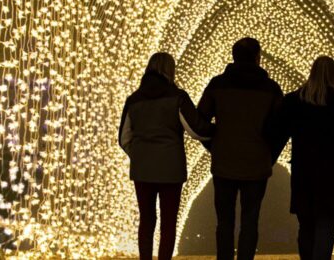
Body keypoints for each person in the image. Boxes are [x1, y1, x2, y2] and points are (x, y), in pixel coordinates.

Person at [119, 52, 212, 260]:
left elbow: (124, 138)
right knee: (168, 222)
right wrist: (218, 130)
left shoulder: (133, 100)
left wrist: (141, 155)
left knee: (146, 220)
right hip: (171, 168)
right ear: (170, 70)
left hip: (142, 169)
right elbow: (196, 130)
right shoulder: (178, 97)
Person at [197, 37, 284, 260]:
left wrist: (213, 145)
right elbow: (280, 128)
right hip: (256, 163)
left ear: (233, 56)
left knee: (224, 221)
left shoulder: (218, 85)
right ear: (257, 58)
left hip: (225, 162)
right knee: (250, 220)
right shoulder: (270, 88)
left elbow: (200, 120)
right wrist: (269, 155)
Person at [272, 56, 334, 260]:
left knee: (306, 225)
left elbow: (278, 132)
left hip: (303, 171)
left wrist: (269, 157)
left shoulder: (294, 100)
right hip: (330, 172)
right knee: (326, 224)